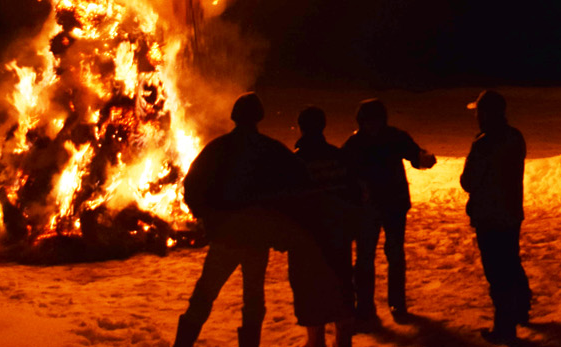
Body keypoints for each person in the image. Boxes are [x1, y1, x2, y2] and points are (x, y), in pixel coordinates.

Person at [173, 92, 312, 347]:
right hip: (257, 237)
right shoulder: (270, 149)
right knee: (253, 299)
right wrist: (281, 222)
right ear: (259, 117)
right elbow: (301, 181)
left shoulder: (219, 148)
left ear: (235, 117)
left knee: (204, 294)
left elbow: (191, 183)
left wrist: (204, 216)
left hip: (226, 235)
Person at [341, 99, 437, 324]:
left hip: (391, 205)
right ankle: (366, 305)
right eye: (369, 121)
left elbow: (414, 154)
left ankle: (394, 303)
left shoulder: (389, 137)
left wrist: (424, 159)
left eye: (375, 121)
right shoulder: (359, 142)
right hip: (374, 206)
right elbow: (345, 171)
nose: (372, 125)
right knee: (367, 256)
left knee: (391, 254)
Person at [460, 90, 531, 345]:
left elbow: (468, 181)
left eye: (478, 112)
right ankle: (521, 308)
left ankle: (504, 327)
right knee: (511, 262)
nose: (476, 117)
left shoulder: (484, 143)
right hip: (511, 212)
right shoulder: (515, 137)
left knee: (497, 272)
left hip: (489, 216)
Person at [293, 106, 360, 347]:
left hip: (308, 240)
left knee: (310, 292)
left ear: (301, 128)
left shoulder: (296, 161)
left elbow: (289, 201)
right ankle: (343, 340)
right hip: (337, 236)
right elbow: (354, 194)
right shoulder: (339, 157)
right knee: (341, 287)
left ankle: (315, 341)